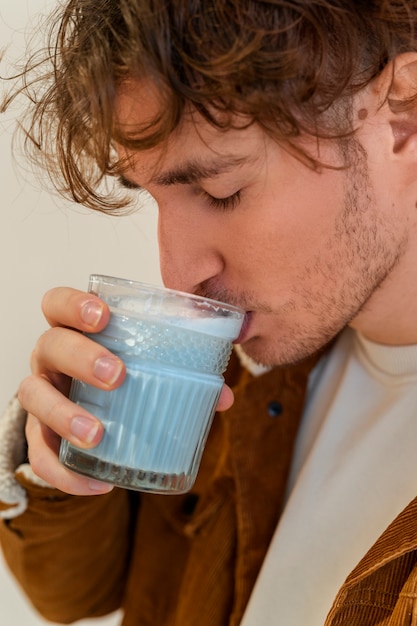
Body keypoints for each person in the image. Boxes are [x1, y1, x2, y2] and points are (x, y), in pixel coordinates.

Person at [2, 0, 417, 624]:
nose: (178, 275)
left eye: (223, 192)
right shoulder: (235, 369)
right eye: (156, 197)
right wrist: (60, 447)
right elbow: (75, 594)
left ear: (402, 112)